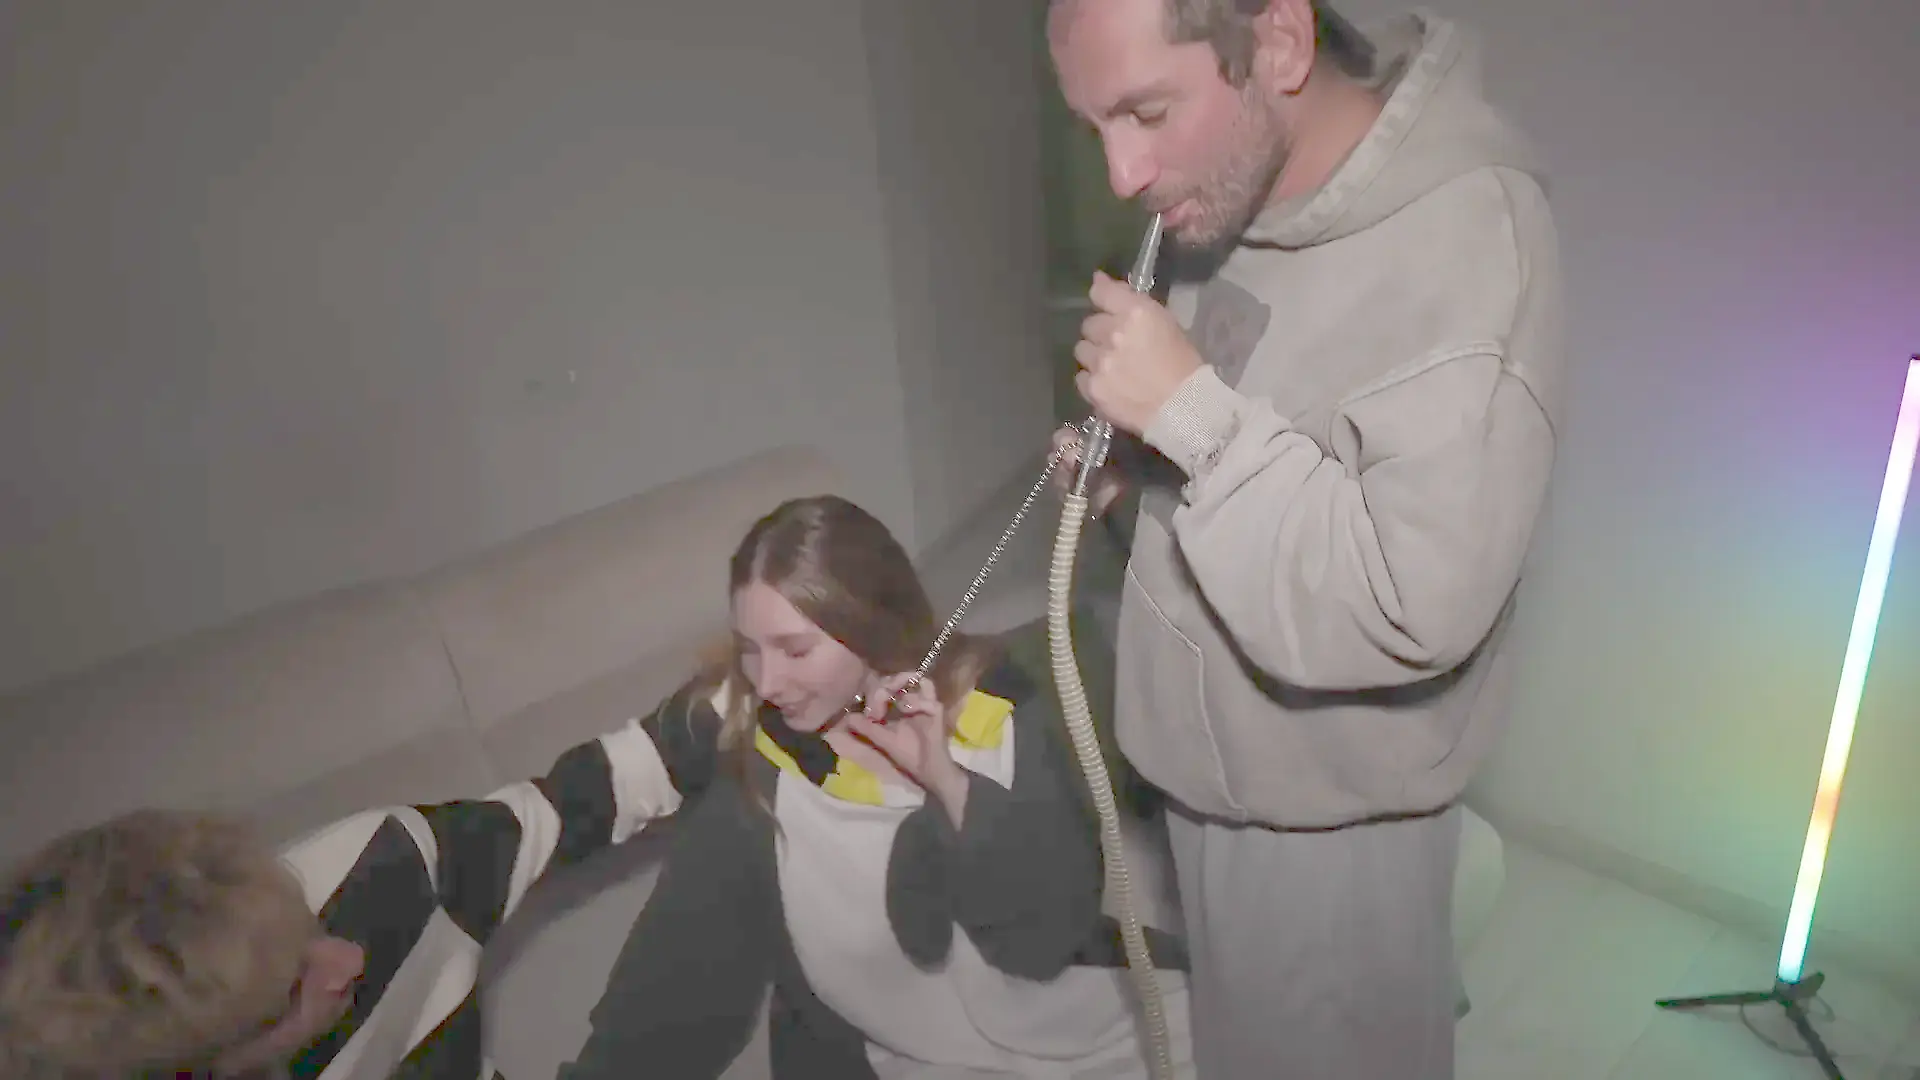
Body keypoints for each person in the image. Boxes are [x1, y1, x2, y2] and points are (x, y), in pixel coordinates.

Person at [1046, 1, 1564, 1078]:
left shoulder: (1466, 240)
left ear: (1279, 42)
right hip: (1211, 789)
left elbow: (1406, 603)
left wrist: (1190, 415)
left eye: (1147, 112)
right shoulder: (1232, 190)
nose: (1122, 176)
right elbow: (1273, 442)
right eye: (1095, 126)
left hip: (1326, 834)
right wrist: (1140, 474)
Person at [558, 494, 1194, 1079]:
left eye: (795, 651)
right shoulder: (756, 792)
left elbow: (1045, 940)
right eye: (750, 649)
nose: (767, 682)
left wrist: (948, 782)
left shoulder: (995, 707)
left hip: (1097, 1031)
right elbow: (664, 1007)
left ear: (869, 628)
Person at [0, 711, 675, 1075]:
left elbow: (590, 796)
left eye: (302, 921)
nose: (348, 959)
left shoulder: (374, 872)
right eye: (290, 992)